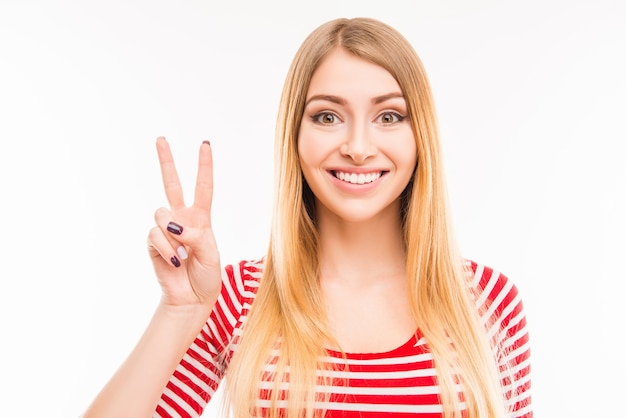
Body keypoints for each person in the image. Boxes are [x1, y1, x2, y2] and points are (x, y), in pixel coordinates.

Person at [83, 17, 532, 418]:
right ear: (295, 137)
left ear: (421, 138)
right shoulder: (239, 298)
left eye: (389, 116)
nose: (358, 146)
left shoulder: (487, 303)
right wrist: (179, 312)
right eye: (328, 116)